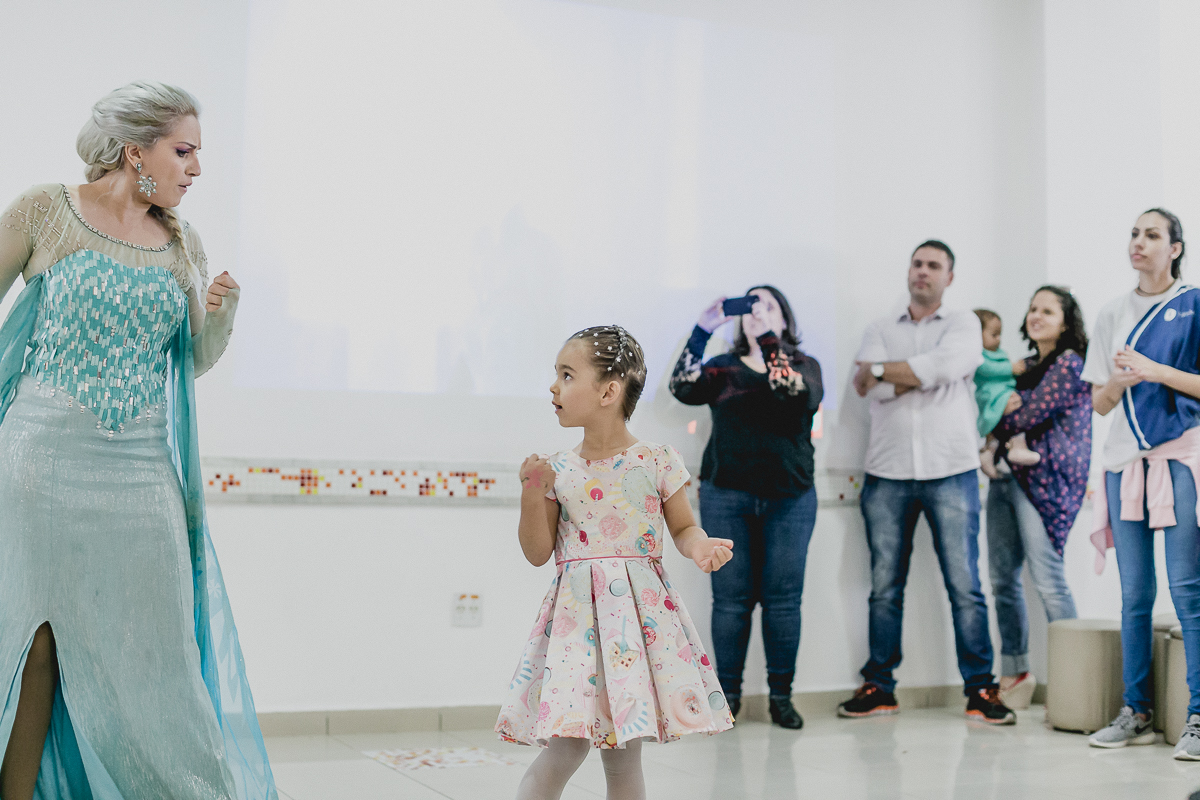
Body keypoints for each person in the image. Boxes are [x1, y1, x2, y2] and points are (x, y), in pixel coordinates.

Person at [0, 83, 275, 798]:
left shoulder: (182, 243)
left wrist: (220, 317)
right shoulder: (46, 210)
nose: (196, 168)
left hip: (142, 473)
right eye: (183, 151)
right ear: (135, 152)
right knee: (33, 644)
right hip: (37, 464)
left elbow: (190, 363)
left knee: (159, 654)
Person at [496, 325, 735, 800]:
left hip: (635, 629)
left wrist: (699, 546)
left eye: (567, 375)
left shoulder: (658, 461)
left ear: (608, 392)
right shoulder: (557, 470)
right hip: (576, 628)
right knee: (564, 748)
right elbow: (538, 552)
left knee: (624, 758)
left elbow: (684, 529)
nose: (553, 386)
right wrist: (531, 492)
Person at [837, 240, 1015, 724]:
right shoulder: (879, 328)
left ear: (948, 278)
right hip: (887, 471)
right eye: (917, 263)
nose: (923, 271)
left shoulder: (964, 324)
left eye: (934, 265)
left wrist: (885, 372)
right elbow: (865, 384)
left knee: (965, 586)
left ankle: (981, 690)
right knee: (883, 587)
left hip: (951, 469)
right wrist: (909, 375)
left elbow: (948, 367)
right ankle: (879, 687)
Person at [668, 286, 823, 729]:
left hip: (790, 497)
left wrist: (770, 340)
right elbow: (681, 387)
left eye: (768, 305)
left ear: (785, 318)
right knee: (731, 602)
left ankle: (781, 698)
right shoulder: (723, 366)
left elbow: (792, 392)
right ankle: (727, 697)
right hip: (727, 495)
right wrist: (703, 329)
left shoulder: (804, 365)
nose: (757, 312)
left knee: (783, 602)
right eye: (751, 305)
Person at [1084, 208, 1200, 759]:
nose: (1139, 242)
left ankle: (1198, 718)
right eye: (1134, 233)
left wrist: (1156, 371)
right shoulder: (1112, 312)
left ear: (1174, 248)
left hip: (1180, 458)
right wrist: (1118, 381)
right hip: (1124, 464)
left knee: (1188, 590)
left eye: (1152, 235)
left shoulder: (1194, 304)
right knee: (1134, 594)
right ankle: (1137, 713)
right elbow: (1099, 403)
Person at [985, 287, 1090, 709]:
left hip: (1047, 484)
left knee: (1048, 581)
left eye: (1047, 311)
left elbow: (1028, 414)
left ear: (1065, 323)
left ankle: (1077, 682)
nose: (1036, 316)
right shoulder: (1023, 365)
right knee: (1002, 581)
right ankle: (1016, 674)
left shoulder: (1070, 363)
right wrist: (996, 410)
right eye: (1032, 309)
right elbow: (989, 400)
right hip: (1005, 477)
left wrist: (997, 415)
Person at [972, 308, 1040, 479]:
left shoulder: (998, 353)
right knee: (1017, 408)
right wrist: (1011, 368)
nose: (999, 339)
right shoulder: (977, 355)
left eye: (999, 334)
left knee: (1016, 410)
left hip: (1002, 392)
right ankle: (1015, 445)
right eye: (994, 335)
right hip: (991, 395)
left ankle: (993, 452)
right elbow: (986, 369)